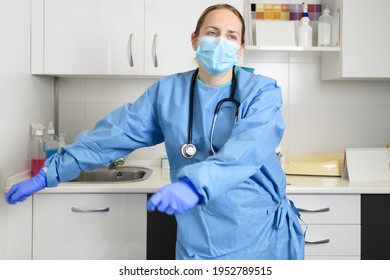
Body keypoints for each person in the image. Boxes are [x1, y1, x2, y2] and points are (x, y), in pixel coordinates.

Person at [6, 4, 305, 260]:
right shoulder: (167, 93)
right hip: (198, 241)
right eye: (212, 33)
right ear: (195, 39)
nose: (221, 42)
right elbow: (114, 136)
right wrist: (52, 171)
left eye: (231, 36)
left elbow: (248, 148)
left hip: (259, 238)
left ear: (240, 49)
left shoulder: (262, 92)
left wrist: (194, 186)